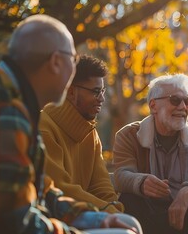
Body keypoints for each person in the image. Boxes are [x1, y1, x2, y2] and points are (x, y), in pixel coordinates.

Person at [0, 14, 137, 233]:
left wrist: (89, 216)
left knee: (121, 226)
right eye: (73, 60)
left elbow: (41, 189)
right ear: (55, 61)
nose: (74, 71)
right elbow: (14, 222)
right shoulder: (6, 110)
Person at [113, 73, 188, 234]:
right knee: (129, 200)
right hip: (149, 213)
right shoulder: (129, 135)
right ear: (153, 106)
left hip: (187, 213)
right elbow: (120, 176)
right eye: (175, 100)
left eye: (187, 101)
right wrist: (141, 181)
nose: (183, 107)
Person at [39, 54, 141, 232]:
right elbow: (60, 188)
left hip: (87, 212)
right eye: (95, 91)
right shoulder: (44, 127)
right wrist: (106, 212)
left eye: (102, 91)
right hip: (58, 219)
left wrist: (114, 209)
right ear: (71, 92)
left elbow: (100, 185)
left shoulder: (89, 133)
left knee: (130, 223)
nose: (101, 98)